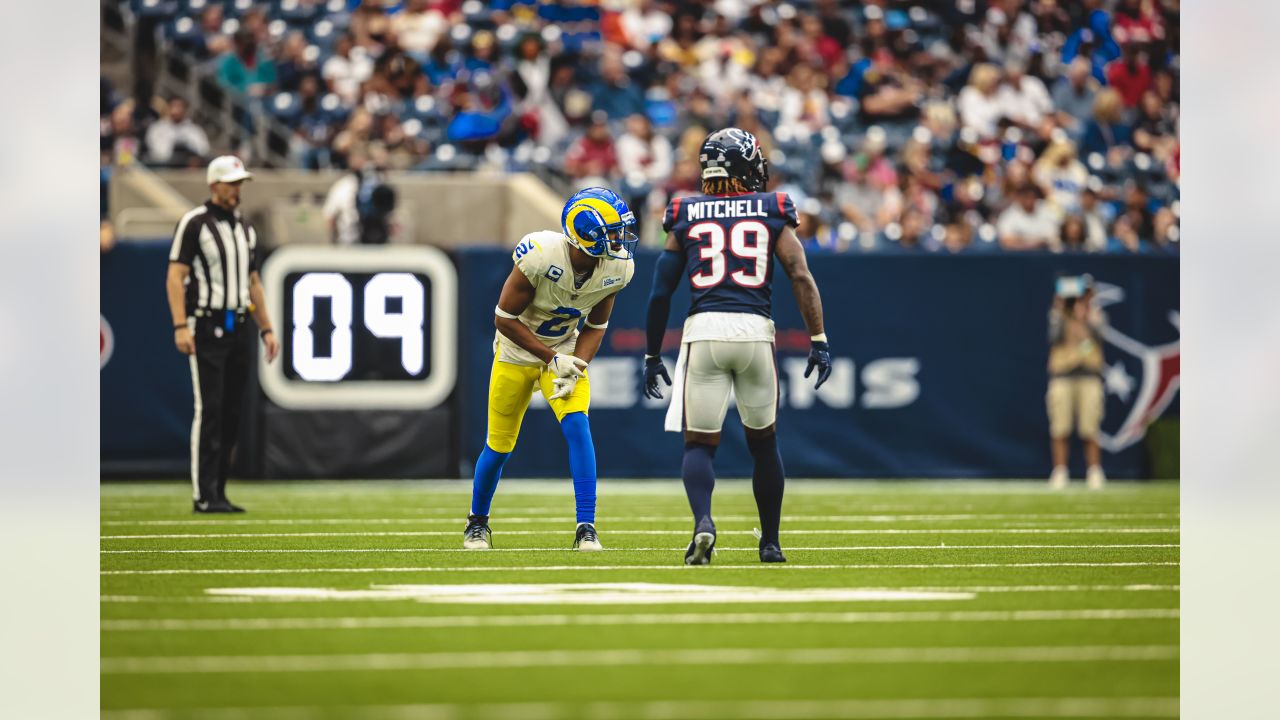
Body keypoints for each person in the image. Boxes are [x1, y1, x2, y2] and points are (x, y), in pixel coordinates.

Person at [642, 128, 831, 566]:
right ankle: (770, 542)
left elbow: (659, 292)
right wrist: (818, 339)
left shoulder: (685, 210)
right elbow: (800, 275)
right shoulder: (772, 208)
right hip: (754, 334)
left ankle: (703, 524)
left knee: (698, 446)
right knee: (764, 444)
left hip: (704, 333)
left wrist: (652, 354)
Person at [463, 188, 639, 552]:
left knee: (577, 425)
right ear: (585, 234)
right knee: (498, 447)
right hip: (516, 351)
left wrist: (577, 365)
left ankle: (586, 527)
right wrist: (550, 357)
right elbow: (504, 319)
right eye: (612, 232)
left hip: (563, 349)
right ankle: (477, 523)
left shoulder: (618, 268)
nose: (620, 240)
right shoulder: (542, 255)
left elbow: (596, 327)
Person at [165, 156, 280, 513]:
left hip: (239, 325)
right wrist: (181, 325)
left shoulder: (245, 228)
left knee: (231, 412)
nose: (236, 190)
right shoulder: (194, 223)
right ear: (214, 185)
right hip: (207, 324)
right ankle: (204, 494)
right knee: (210, 409)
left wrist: (267, 328)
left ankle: (220, 491)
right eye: (231, 183)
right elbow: (175, 276)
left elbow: (254, 282)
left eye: (240, 183)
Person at [1047, 276, 1107, 490]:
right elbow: (1054, 338)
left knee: (1090, 427)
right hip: (1062, 376)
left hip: (1089, 376)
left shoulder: (1096, 316)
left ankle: (1094, 471)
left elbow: (1098, 339)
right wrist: (1062, 311)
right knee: (1060, 426)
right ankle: (1060, 471)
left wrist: (1086, 319)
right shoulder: (1058, 315)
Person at [145, 98, 210, 167]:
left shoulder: (195, 130)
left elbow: (203, 150)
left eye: (179, 107)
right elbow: (156, 152)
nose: (176, 110)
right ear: (168, 108)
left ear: (185, 110)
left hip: (188, 169)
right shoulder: (157, 128)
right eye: (174, 106)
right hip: (164, 167)